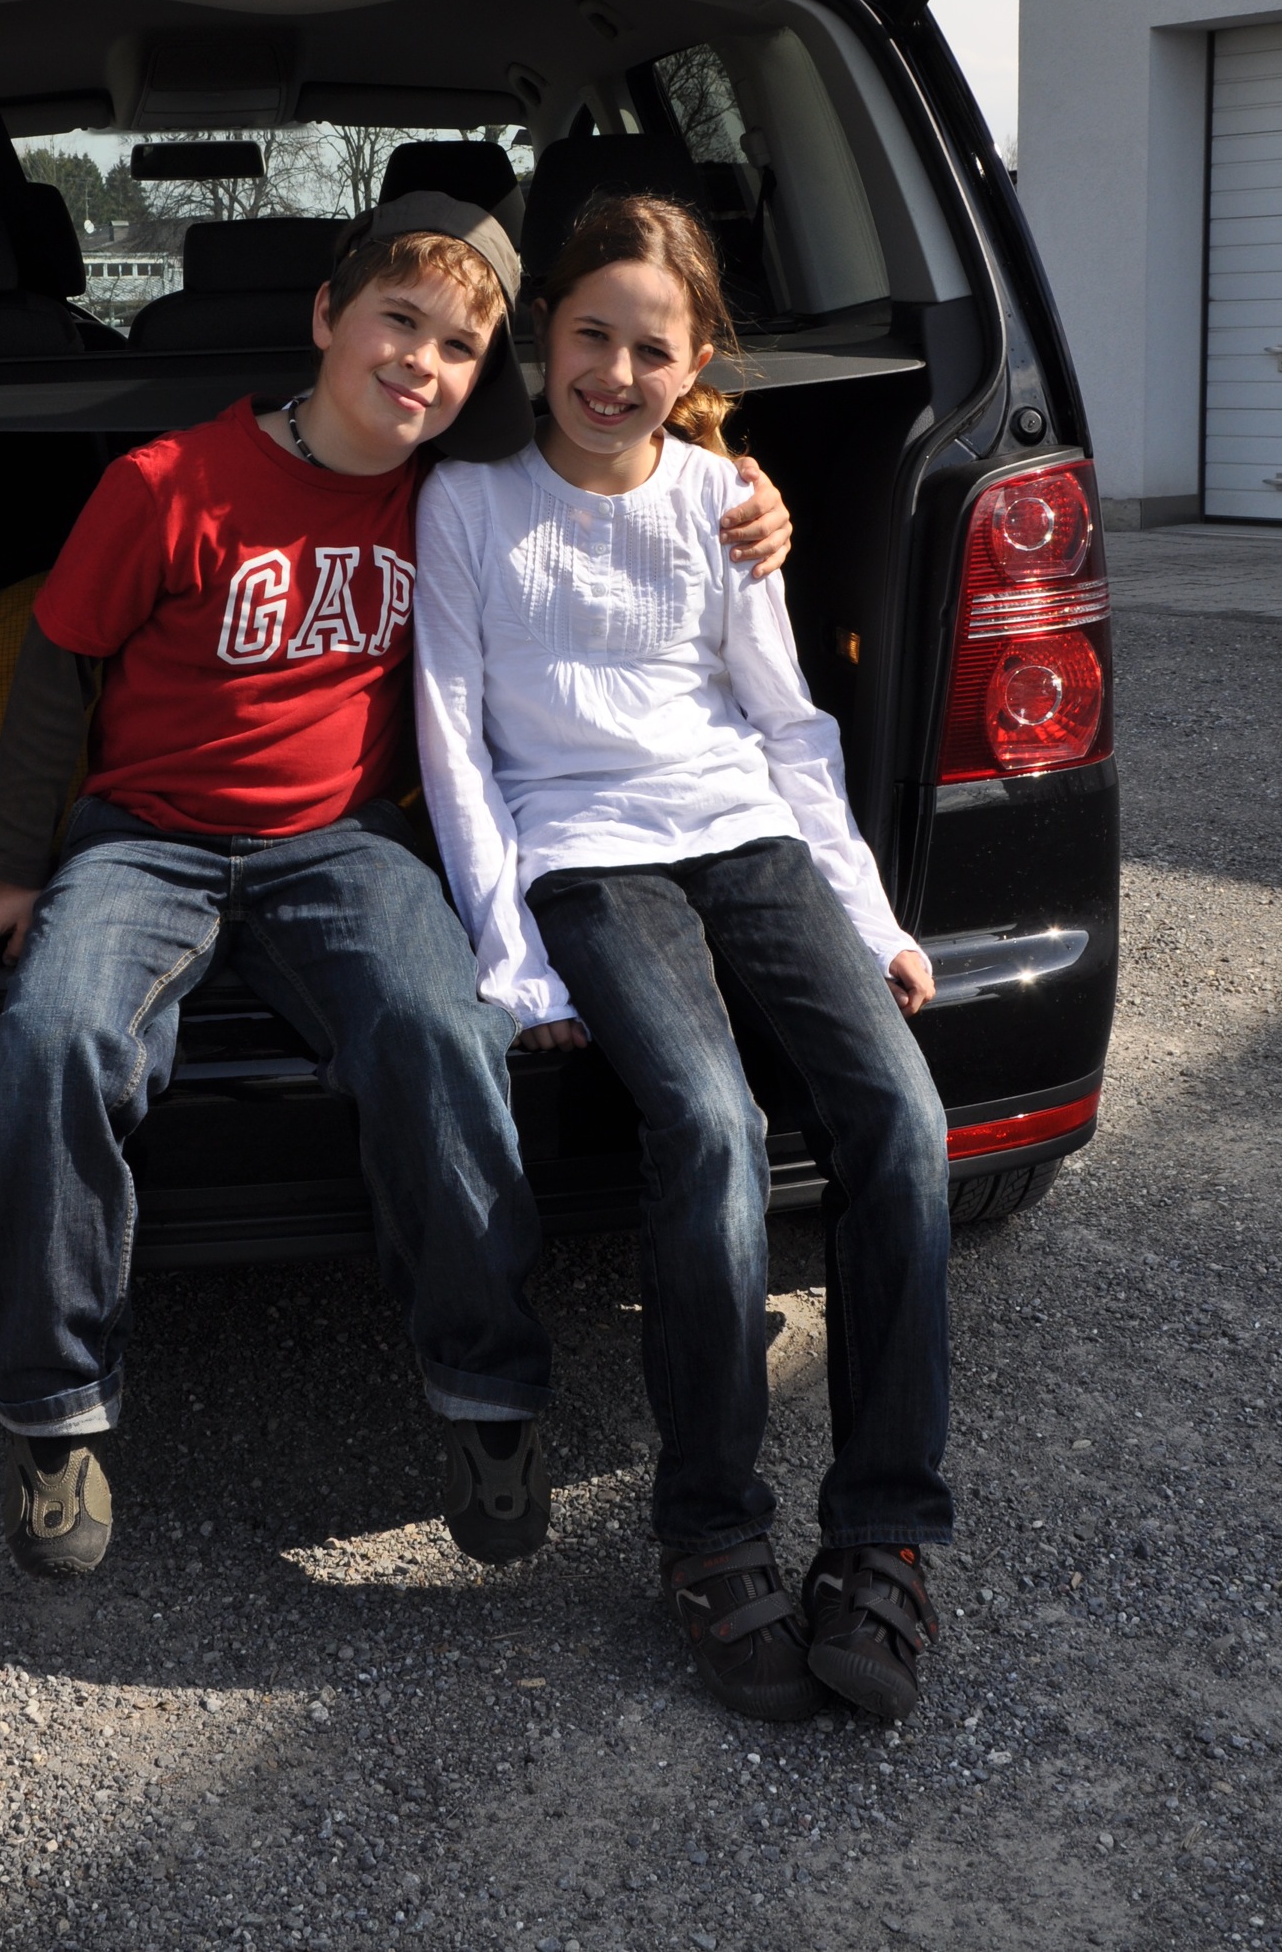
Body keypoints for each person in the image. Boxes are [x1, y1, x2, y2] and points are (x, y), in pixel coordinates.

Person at [0, 190, 793, 1581]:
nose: (421, 364)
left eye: (461, 349)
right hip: (146, 836)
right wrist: (10, 869)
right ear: (327, 315)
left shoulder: (457, 488)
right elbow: (56, 668)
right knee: (53, 1038)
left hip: (342, 839)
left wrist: (747, 490)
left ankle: (489, 1393)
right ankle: (56, 1413)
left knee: (446, 1032)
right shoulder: (165, 484)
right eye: (399, 322)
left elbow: (623, 448)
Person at [413, 192, 952, 1723]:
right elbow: (455, 748)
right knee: (711, 1130)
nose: (615, 373)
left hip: (745, 833)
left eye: (653, 349)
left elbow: (787, 725)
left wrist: (870, 916)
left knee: (904, 1120)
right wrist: (514, 957)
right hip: (585, 853)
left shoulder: (725, 498)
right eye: (590, 336)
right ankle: (711, 1531)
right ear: (542, 337)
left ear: (698, 358)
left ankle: (887, 1527)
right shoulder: (470, 505)